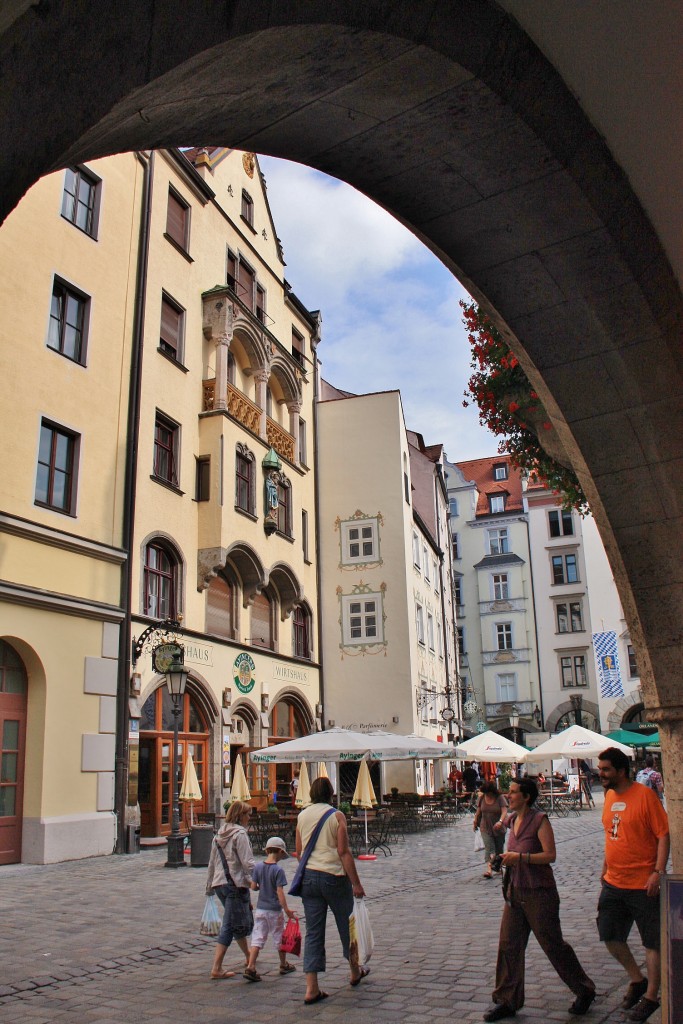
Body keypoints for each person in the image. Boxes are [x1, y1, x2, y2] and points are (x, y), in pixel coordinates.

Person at [483, 778, 596, 1021]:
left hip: (539, 893)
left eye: (513, 793)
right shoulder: (512, 820)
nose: (509, 796)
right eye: (509, 792)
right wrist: (502, 859)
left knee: (553, 945)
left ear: (526, 797)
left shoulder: (539, 820)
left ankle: (584, 989)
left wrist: (520, 858)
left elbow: (550, 855)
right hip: (515, 890)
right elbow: (512, 853)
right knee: (508, 945)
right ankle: (507, 1000)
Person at [597, 747, 670, 1022]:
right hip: (614, 881)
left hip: (643, 883)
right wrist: (605, 868)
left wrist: (658, 871)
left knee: (652, 941)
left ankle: (651, 996)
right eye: (600, 769)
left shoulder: (645, 796)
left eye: (605, 769)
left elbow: (663, 834)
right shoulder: (609, 796)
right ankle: (636, 979)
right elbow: (611, 833)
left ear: (621, 771)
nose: (600, 773)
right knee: (610, 936)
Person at [295, 776, 366, 1005]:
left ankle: (311, 987)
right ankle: (355, 971)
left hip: (309, 878)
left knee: (313, 932)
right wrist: (356, 883)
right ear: (330, 793)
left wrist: (309, 874)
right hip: (334, 877)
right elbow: (343, 852)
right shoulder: (336, 816)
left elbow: (298, 851)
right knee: (347, 925)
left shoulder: (302, 815)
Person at [205, 800, 255, 979]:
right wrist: (258, 880)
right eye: (248, 814)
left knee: (234, 921)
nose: (249, 818)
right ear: (240, 816)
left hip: (220, 884)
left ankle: (249, 956)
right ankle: (216, 967)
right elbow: (247, 863)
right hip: (234, 884)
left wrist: (209, 885)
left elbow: (212, 862)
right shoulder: (240, 834)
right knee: (229, 925)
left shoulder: (219, 834)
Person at [244, 836, 298, 982]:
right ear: (280, 852)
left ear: (267, 850)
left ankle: (251, 965)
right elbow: (280, 892)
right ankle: (283, 964)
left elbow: (253, 886)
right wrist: (286, 909)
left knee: (258, 937)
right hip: (274, 910)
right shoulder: (278, 870)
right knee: (279, 936)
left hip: (260, 909)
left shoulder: (258, 867)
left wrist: (262, 886)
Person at [473, 780, 508, 878]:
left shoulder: (500, 798)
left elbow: (504, 811)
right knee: (490, 848)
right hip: (485, 827)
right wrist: (475, 821)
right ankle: (489, 870)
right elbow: (478, 811)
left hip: (499, 827)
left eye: (489, 793)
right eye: (486, 793)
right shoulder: (482, 798)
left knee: (499, 850)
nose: (487, 795)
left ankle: (498, 867)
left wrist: (500, 821)